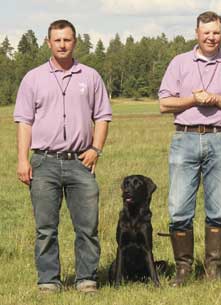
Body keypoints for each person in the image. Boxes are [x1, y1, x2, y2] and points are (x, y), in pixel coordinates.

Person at [14, 19, 112, 293]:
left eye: (67, 40)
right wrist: (23, 159)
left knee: (87, 227)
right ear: (48, 42)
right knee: (46, 227)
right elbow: (24, 121)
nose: (62, 44)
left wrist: (96, 149)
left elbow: (103, 116)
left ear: (75, 42)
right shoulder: (33, 78)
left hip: (81, 162)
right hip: (43, 161)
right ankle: (48, 280)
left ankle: (86, 279)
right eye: (57, 40)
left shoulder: (90, 76)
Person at [158, 11, 221, 286]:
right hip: (184, 139)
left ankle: (213, 270)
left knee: (217, 208)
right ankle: (183, 270)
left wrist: (216, 99)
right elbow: (164, 104)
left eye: (216, 32)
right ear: (197, 33)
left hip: (220, 139)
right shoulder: (179, 63)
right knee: (178, 209)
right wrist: (192, 99)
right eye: (207, 32)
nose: (212, 37)